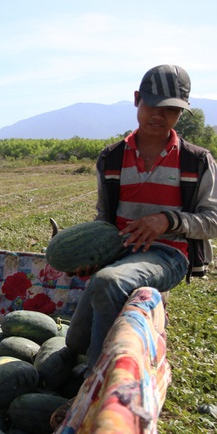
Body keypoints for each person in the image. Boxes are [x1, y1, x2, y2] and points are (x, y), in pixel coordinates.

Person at [51, 65, 217, 428]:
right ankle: (72, 351)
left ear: (182, 111)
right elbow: (104, 220)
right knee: (94, 300)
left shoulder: (197, 160)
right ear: (137, 101)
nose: (159, 115)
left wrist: (168, 221)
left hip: (169, 253)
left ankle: (90, 390)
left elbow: (213, 220)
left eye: (171, 109)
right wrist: (92, 255)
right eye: (152, 105)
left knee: (111, 283)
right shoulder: (111, 158)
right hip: (121, 251)